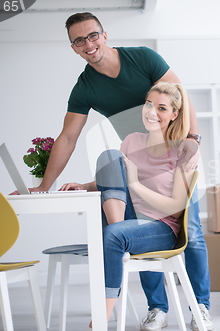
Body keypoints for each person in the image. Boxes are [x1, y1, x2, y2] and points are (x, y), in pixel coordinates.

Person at [34, 12, 213, 331]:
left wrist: (192, 140)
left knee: (193, 231)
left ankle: (200, 307)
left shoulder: (142, 58)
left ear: (104, 34)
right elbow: (68, 137)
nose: (88, 44)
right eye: (79, 40)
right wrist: (46, 185)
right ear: (73, 48)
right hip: (138, 159)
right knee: (134, 223)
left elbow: (179, 95)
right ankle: (157, 307)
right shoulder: (86, 87)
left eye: (92, 36)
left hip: (174, 153)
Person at [61, 82, 195, 330]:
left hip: (161, 227)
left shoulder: (182, 151)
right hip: (129, 218)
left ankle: (101, 317)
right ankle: (119, 233)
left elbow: (176, 208)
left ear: (174, 114)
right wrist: (85, 185)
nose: (151, 112)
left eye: (161, 108)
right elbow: (116, 179)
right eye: (148, 104)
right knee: (109, 156)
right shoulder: (132, 140)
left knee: (111, 236)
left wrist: (135, 185)